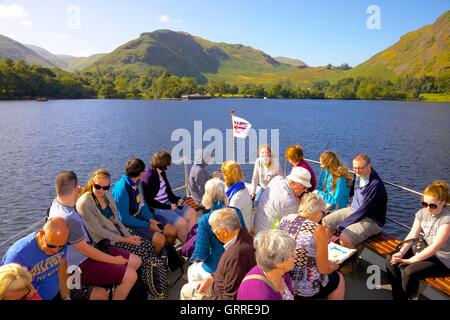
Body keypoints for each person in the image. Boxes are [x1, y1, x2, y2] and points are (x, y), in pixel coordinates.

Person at [48, 171, 141, 300]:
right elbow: (86, 251)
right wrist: (115, 260)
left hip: (92, 249)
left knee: (135, 261)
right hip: (79, 263)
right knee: (130, 275)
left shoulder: (58, 204)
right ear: (75, 188)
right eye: (78, 186)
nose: (80, 188)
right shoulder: (68, 218)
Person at [76, 168, 166, 298]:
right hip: (104, 241)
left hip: (117, 233)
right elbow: (100, 232)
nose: (102, 190)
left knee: (146, 245)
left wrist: (128, 235)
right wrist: (126, 240)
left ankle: (148, 285)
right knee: (141, 253)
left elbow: (117, 219)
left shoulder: (106, 194)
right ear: (92, 183)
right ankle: (141, 289)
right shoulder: (85, 203)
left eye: (106, 187)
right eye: (98, 187)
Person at [386, 180, 450, 300]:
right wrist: (401, 252)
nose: (428, 209)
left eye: (432, 205)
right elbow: (412, 234)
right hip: (426, 249)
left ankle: (407, 296)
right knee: (391, 259)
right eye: (424, 204)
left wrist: (411, 260)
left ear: (443, 203)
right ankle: (399, 296)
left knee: (410, 271)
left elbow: (435, 247)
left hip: (442, 258)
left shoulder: (447, 220)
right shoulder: (422, 213)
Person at [278, 193, 345, 300]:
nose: (322, 216)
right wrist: (333, 266)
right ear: (317, 212)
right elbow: (323, 269)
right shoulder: (317, 229)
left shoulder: (285, 219)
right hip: (304, 289)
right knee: (338, 278)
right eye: (323, 213)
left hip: (284, 279)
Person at [180, 207, 256, 300]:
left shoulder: (234, 256)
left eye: (215, 231)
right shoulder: (246, 237)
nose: (214, 233)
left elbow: (229, 297)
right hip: (216, 283)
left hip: (217, 293)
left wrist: (202, 298)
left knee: (185, 290)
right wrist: (210, 278)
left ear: (224, 231)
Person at [322, 153, 388, 249]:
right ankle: (330, 253)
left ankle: (350, 261)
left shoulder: (375, 185)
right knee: (326, 222)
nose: (357, 171)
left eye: (360, 168)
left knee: (345, 237)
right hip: (354, 210)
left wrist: (341, 226)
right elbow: (351, 191)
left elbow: (364, 210)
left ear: (369, 166)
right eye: (355, 168)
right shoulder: (358, 175)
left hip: (371, 219)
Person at [112, 158, 175, 253]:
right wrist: (148, 225)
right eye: (144, 170)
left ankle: (168, 255)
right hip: (130, 222)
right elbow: (124, 218)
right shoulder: (122, 189)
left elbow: (143, 205)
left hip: (141, 216)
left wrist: (151, 219)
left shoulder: (137, 183)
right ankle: (156, 262)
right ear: (140, 173)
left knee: (171, 231)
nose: (145, 172)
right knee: (159, 239)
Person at [189, 178, 246, 283]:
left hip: (217, 267)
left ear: (207, 196)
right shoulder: (236, 212)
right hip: (237, 262)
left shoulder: (205, 220)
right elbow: (244, 236)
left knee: (191, 271)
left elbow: (200, 254)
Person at [1, 218, 73, 300]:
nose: (56, 250)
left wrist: (66, 296)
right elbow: (10, 293)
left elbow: (62, 269)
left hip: (56, 295)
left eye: (61, 247)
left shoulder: (58, 242)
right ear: (42, 234)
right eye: (51, 246)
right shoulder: (18, 256)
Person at [141, 150, 197, 243]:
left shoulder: (161, 172)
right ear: (164, 163)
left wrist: (178, 200)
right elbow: (150, 201)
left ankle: (193, 243)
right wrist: (169, 207)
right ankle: (189, 249)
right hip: (157, 208)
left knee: (192, 213)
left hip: (167, 203)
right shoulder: (149, 176)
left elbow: (169, 193)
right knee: (181, 223)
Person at [237, 229, 295, 300]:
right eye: (292, 255)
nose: (296, 255)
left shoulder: (282, 273)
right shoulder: (259, 295)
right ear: (279, 263)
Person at [253, 166, 311, 234]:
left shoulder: (277, 179)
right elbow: (293, 230)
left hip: (258, 228)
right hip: (268, 240)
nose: (306, 190)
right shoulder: (289, 203)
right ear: (292, 183)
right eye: (304, 187)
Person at [221, 160, 253, 231]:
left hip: (239, 234)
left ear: (228, 176)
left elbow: (229, 220)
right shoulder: (237, 187)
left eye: (224, 174)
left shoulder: (238, 197)